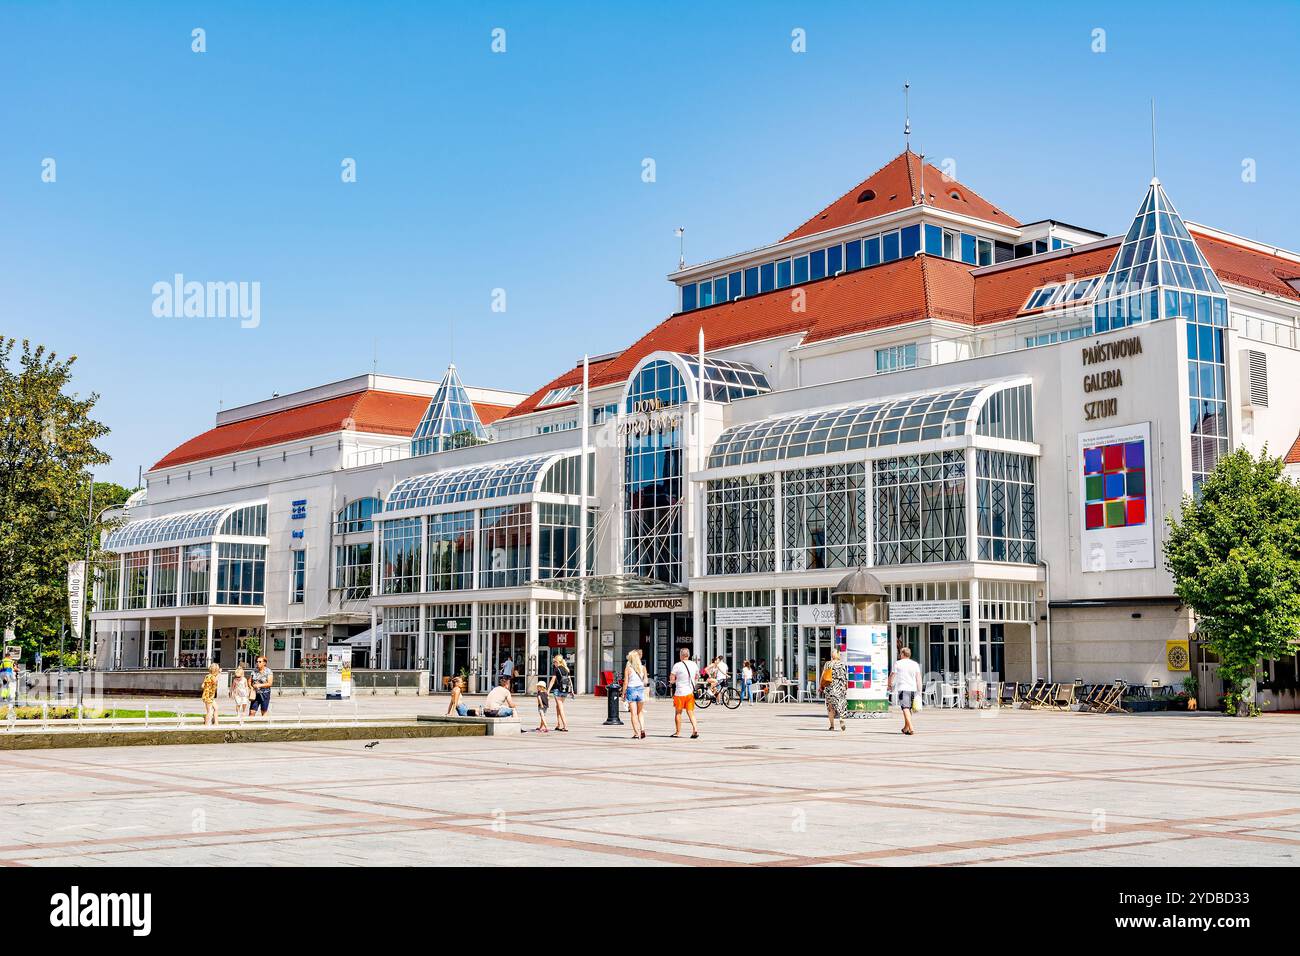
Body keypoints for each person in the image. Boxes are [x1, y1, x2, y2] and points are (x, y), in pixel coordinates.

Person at [889, 646, 923, 736]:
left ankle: (911, 727)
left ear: (903, 654)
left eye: (900, 653)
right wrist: (919, 690)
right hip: (913, 689)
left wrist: (889, 684)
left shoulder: (898, 663)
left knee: (905, 708)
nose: (899, 655)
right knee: (908, 709)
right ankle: (906, 728)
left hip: (903, 688)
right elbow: (918, 677)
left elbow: (892, 675)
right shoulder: (915, 664)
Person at [669, 647, 700, 739]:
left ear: (681, 655)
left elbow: (672, 678)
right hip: (690, 692)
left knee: (678, 713)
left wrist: (672, 682)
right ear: (688, 655)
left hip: (680, 693)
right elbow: (697, 676)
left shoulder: (677, 665)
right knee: (690, 712)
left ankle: (678, 732)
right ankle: (695, 729)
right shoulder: (694, 664)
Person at [820, 648, 848, 731]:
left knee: (830, 707)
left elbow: (823, 676)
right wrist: (845, 686)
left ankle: (832, 726)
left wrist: (820, 686)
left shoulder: (827, 664)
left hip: (829, 688)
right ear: (838, 655)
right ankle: (841, 718)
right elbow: (844, 677)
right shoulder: (841, 664)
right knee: (841, 705)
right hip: (839, 688)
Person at [546, 652, 573, 732]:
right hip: (565, 690)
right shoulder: (566, 669)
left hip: (558, 690)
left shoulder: (557, 669)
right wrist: (572, 690)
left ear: (557, 662)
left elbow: (552, 681)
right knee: (558, 706)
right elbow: (569, 680)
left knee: (560, 708)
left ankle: (565, 725)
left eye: (554, 662)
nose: (554, 663)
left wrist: (547, 691)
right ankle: (558, 724)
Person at [623, 649, 646, 740]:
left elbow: (625, 682)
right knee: (640, 712)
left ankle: (636, 733)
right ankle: (643, 729)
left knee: (633, 713)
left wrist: (623, 694)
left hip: (631, 690)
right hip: (640, 690)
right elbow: (645, 681)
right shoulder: (643, 668)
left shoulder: (628, 669)